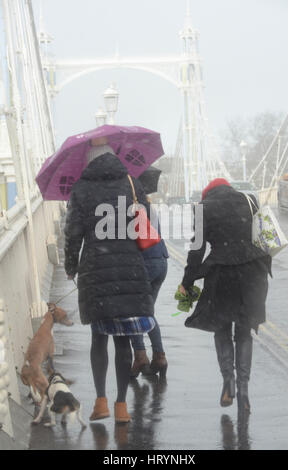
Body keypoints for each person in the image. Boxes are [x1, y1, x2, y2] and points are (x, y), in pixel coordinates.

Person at [64, 140, 155, 423]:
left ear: (88, 161)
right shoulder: (130, 183)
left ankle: (100, 401)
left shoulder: (81, 189)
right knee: (125, 340)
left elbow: (72, 234)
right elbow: (146, 219)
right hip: (129, 266)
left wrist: (71, 265)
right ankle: (121, 406)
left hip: (96, 269)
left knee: (99, 337)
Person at [179, 178, 271, 417]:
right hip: (252, 272)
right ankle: (244, 391)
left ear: (207, 194)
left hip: (222, 274)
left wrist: (188, 281)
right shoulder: (250, 200)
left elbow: (197, 250)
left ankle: (228, 382)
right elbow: (265, 237)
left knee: (222, 328)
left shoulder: (203, 209)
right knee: (243, 330)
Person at [130, 208, 169, 379]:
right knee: (147, 312)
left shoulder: (125, 207)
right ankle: (159, 356)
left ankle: (140, 356)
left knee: (132, 313)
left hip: (143, 264)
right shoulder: (146, 205)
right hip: (160, 261)